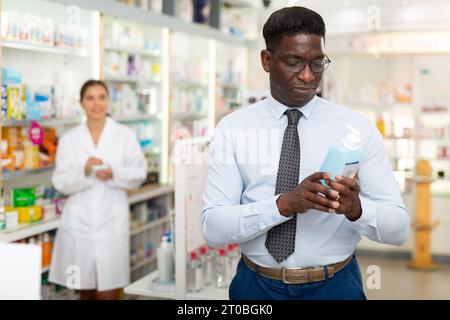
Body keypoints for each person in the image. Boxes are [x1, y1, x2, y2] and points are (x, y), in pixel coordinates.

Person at [201, 7, 410, 300]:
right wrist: (284, 204)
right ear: (267, 60)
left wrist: (356, 209)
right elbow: (213, 228)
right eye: (294, 62)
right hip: (257, 286)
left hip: (335, 286)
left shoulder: (356, 128)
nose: (308, 76)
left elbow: (398, 228)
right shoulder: (233, 129)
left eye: (317, 63)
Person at [49, 80, 148, 300]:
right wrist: (84, 172)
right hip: (79, 225)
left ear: (108, 101)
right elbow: (60, 182)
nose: (96, 103)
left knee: (109, 291)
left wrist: (114, 173)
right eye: (90, 98)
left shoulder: (124, 134)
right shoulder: (69, 138)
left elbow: (139, 173)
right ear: (82, 103)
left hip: (111, 224)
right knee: (83, 291)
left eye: (101, 97)